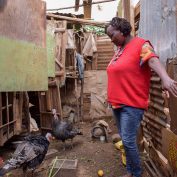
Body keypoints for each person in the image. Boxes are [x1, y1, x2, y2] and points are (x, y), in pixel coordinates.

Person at [106, 17, 177, 177]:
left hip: (131, 103)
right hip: (116, 103)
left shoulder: (141, 44)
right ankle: (131, 171)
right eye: (109, 37)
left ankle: (136, 172)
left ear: (123, 30)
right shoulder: (119, 49)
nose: (111, 40)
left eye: (112, 35)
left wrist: (165, 77)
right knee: (125, 139)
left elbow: (152, 61)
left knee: (129, 141)